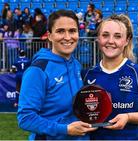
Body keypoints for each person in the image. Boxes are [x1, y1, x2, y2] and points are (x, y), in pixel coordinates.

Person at [82, 14, 138, 140]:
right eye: (105, 35)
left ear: (127, 40)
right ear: (98, 38)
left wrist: (128, 117)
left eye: (117, 36)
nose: (110, 41)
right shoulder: (86, 74)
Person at [17, 10, 96, 140]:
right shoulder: (37, 70)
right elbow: (25, 118)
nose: (67, 37)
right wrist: (65, 130)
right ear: (49, 35)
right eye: (60, 31)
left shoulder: (76, 64)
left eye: (72, 31)